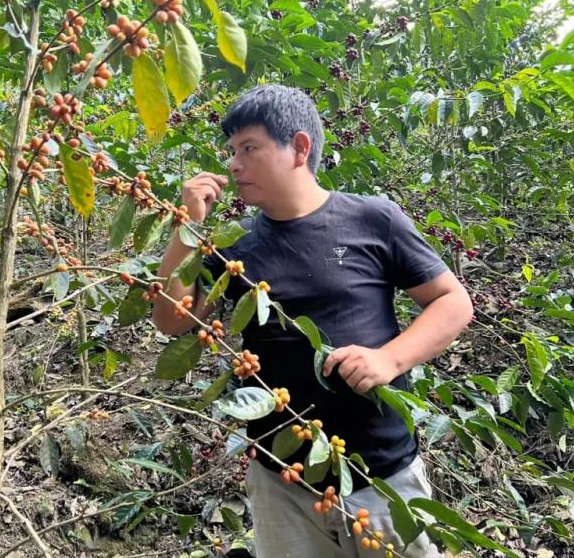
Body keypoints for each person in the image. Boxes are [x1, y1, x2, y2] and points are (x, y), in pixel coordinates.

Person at [151, 84, 473, 557]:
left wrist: (389, 359)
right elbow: (170, 321)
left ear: (299, 148)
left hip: (380, 477)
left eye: (249, 148)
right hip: (282, 480)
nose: (233, 165)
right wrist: (186, 228)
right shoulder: (233, 244)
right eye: (231, 151)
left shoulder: (372, 218)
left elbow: (453, 301)